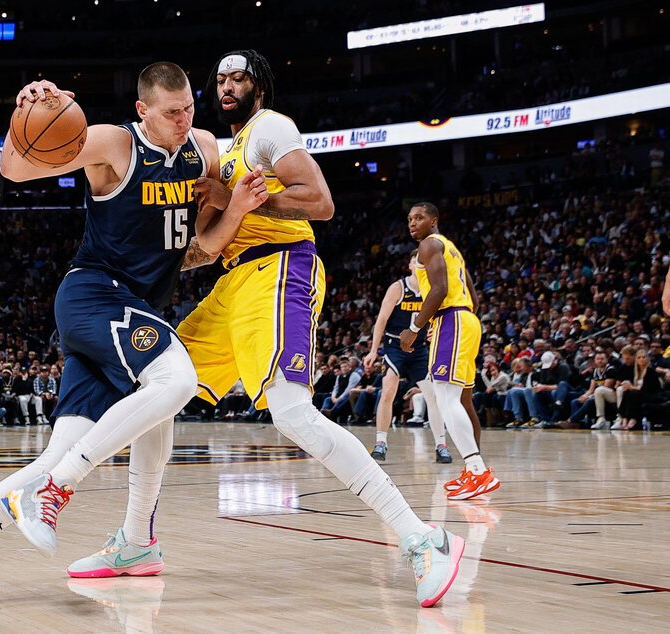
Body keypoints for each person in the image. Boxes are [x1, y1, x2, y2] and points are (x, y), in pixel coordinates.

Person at [0, 62, 268, 611]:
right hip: (95, 295)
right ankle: (61, 491)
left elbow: (199, 252)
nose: (185, 118)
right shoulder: (116, 145)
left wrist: (232, 207)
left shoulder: (203, 148)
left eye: (190, 107)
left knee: (114, 434)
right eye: (172, 111)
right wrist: (26, 111)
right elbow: (16, 171)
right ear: (144, 110)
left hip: (135, 306)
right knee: (177, 379)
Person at [174, 50, 464, 607]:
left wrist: (252, 199)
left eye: (238, 76)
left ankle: (422, 537)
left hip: (280, 268)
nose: (227, 85)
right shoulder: (223, 152)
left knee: (291, 413)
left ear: (259, 84)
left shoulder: (270, 128)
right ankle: (138, 541)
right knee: (160, 387)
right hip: (232, 283)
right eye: (220, 79)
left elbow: (322, 202)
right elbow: (203, 250)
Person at [399, 201, 499, 501]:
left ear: (434, 220)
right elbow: (473, 296)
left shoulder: (429, 245)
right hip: (466, 320)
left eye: (419, 217)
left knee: (445, 398)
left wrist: (415, 327)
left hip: (452, 320)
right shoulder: (451, 248)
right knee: (463, 400)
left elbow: (439, 289)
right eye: (409, 218)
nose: (413, 222)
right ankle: (474, 470)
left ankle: (477, 469)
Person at [363, 251, 452, 463]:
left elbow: (441, 318)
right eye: (417, 260)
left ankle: (441, 445)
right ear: (411, 265)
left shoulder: (434, 290)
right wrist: (374, 350)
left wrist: (435, 330)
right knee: (388, 391)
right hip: (395, 346)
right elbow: (382, 320)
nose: (421, 264)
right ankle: (381, 442)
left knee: (433, 396)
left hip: (420, 349)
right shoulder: (398, 288)